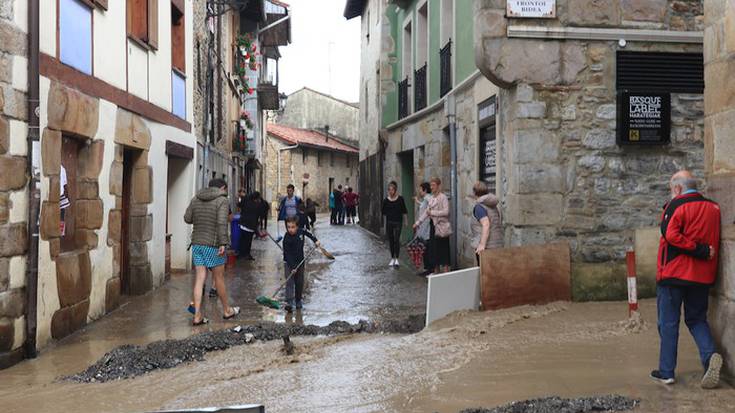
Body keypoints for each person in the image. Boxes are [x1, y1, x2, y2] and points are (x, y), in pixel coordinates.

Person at [651, 170, 722, 389]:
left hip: (673, 275)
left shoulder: (675, 206)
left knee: (668, 323)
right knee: (696, 319)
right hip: (701, 277)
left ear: (678, 189)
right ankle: (710, 357)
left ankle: (666, 372)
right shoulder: (714, 208)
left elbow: (670, 235)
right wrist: (703, 252)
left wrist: (698, 250)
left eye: (672, 190)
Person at [184, 178, 240, 325]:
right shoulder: (222, 200)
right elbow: (222, 222)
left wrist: (201, 217)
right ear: (222, 188)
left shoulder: (196, 198)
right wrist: (223, 242)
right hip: (213, 245)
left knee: (199, 278)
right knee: (219, 278)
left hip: (197, 244)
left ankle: (197, 315)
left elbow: (187, 218)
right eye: (226, 189)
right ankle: (227, 310)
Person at [282, 215, 321, 312]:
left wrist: (315, 240)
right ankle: (289, 302)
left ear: (297, 226)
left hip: (300, 261)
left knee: (299, 282)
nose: (290, 229)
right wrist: (293, 267)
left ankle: (298, 300)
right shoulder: (286, 238)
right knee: (289, 282)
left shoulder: (301, 231)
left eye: (293, 227)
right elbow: (287, 254)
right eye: (288, 227)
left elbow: (308, 233)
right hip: (289, 263)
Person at [413, 177, 451, 273]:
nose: (431, 187)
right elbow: (426, 212)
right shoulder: (432, 198)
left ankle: (446, 273)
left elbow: (446, 212)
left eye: (433, 185)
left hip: (441, 227)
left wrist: (433, 213)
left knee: (443, 250)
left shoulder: (443, 197)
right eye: (431, 185)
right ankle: (436, 272)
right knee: (434, 250)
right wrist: (418, 223)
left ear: (438, 186)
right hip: (433, 227)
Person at [470, 181, 503, 265]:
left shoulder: (479, 207)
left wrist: (482, 245)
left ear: (474, 192)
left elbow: (486, 224)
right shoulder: (492, 206)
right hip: (497, 244)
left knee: (484, 274)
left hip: (487, 247)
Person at [381, 181, 407, 267]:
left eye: (392, 190)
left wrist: (405, 221)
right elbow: (383, 213)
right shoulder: (386, 201)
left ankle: (397, 259)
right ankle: (392, 257)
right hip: (389, 222)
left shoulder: (400, 199)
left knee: (397, 239)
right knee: (391, 240)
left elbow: (404, 211)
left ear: (395, 191)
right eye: (389, 190)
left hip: (398, 222)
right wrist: (385, 224)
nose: (390, 192)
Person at [238, 191, 265, 260]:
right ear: (256, 198)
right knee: (248, 242)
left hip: (243, 224)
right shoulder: (258, 205)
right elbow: (261, 214)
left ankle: (242, 255)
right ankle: (246, 255)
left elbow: (239, 204)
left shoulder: (246, 201)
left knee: (242, 241)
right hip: (250, 226)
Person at [415, 182, 433, 276]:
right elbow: (423, 206)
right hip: (423, 227)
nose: (419, 191)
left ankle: (429, 269)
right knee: (425, 248)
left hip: (426, 228)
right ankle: (427, 268)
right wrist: (417, 201)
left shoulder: (428, 199)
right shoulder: (425, 199)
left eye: (420, 189)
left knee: (426, 249)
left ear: (425, 190)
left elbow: (427, 210)